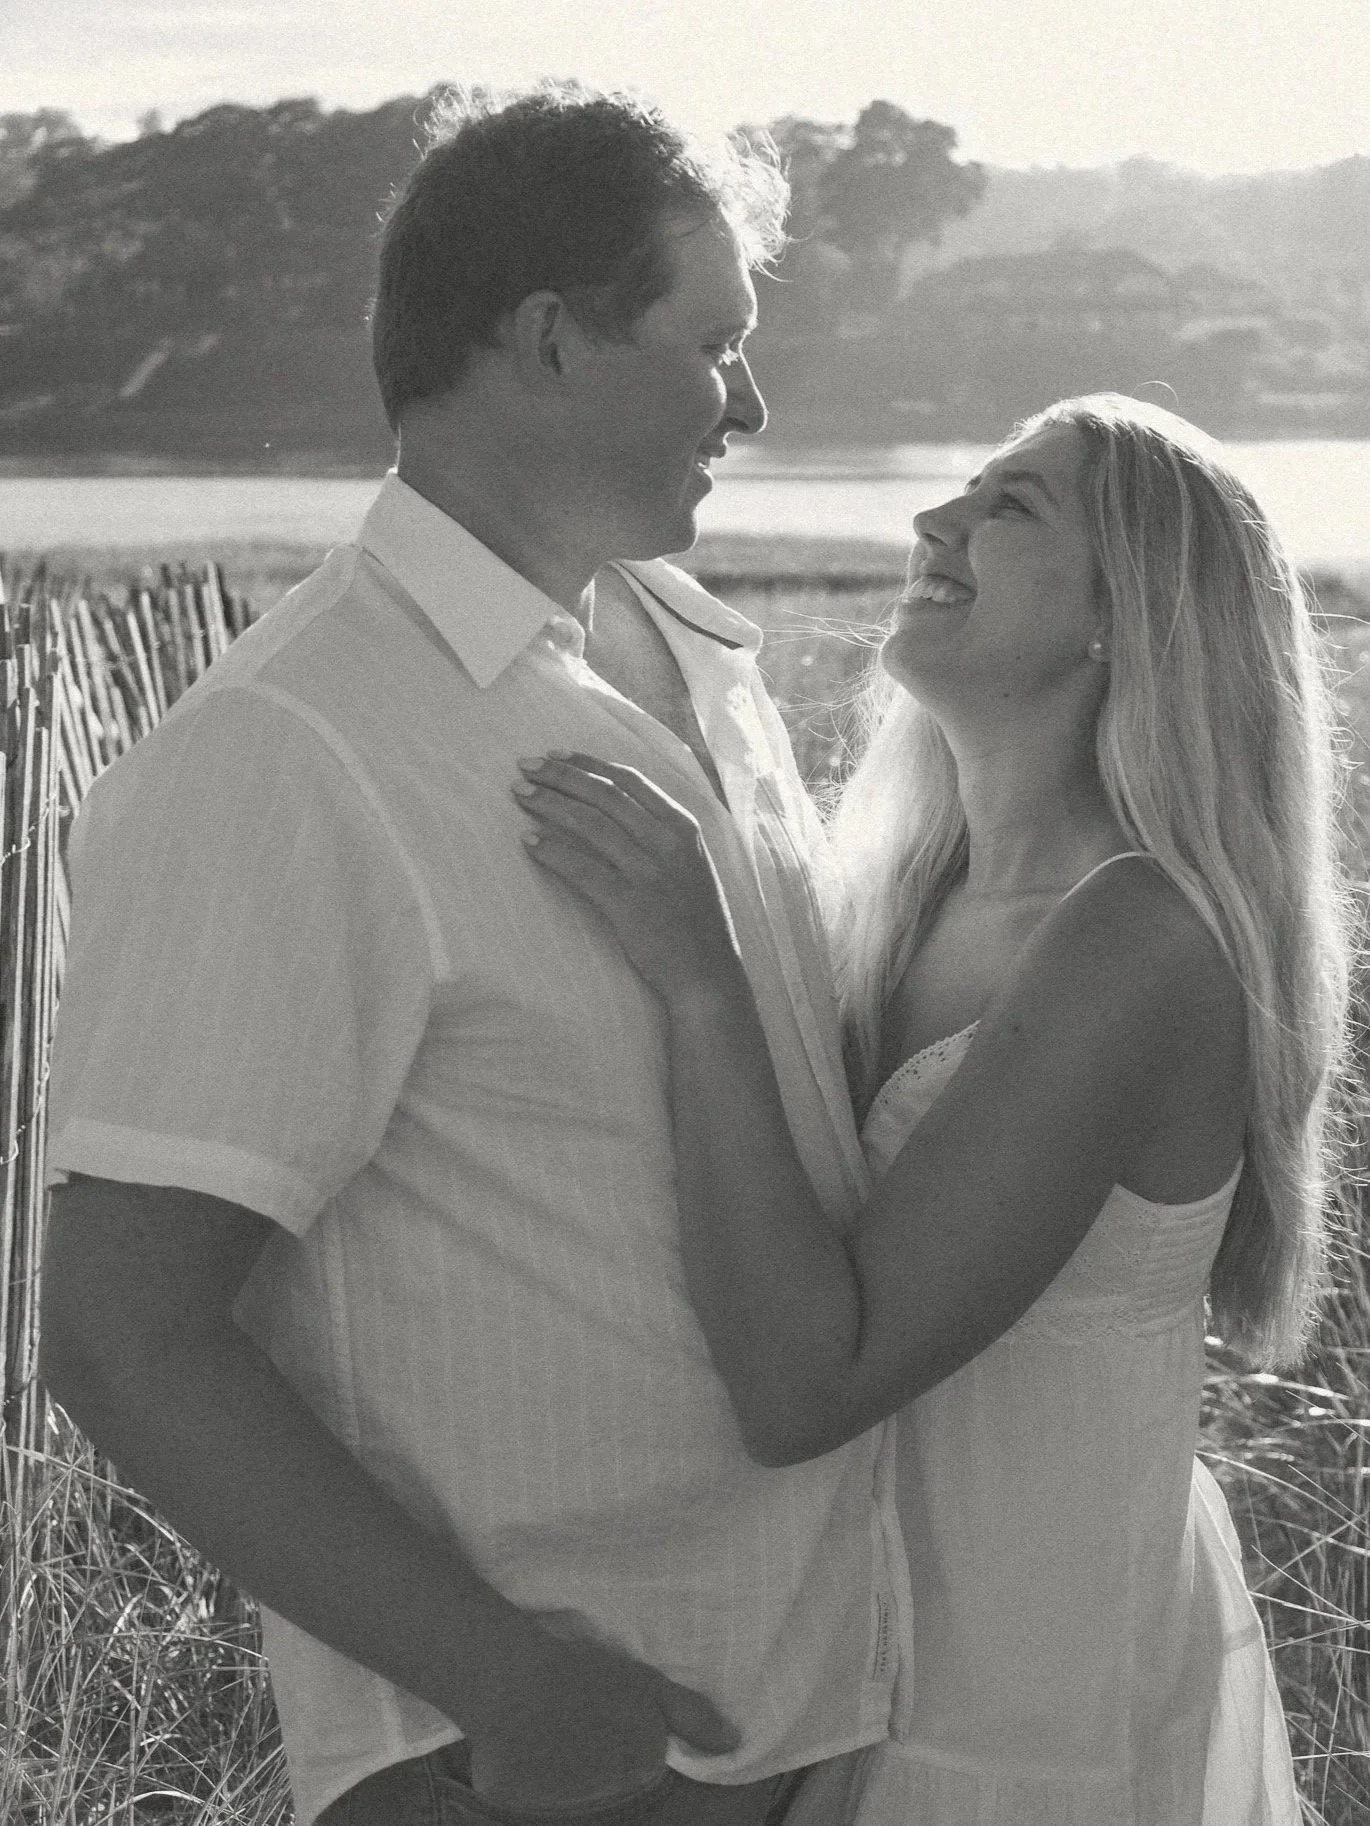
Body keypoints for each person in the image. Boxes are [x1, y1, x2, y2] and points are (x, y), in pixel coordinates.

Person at [38, 84, 908, 1826]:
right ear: (547, 341)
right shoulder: (296, 748)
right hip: (539, 1767)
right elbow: (123, 1332)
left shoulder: (693, 658)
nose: (752, 399)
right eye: (714, 340)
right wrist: (515, 1687)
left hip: (825, 1708)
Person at [514, 393, 1358, 1824]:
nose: (930, 523)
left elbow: (809, 1383)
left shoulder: (1134, 939)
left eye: (1010, 506)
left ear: (1123, 617)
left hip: (1014, 1688)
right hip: (837, 1663)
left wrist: (701, 979)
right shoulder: (902, 896)